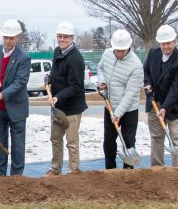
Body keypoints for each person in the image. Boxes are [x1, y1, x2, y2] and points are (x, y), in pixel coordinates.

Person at [0, 19, 31, 176]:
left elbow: (20, 83)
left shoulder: (23, 58)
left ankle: (16, 179)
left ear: (17, 38)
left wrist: (2, 94)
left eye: (11, 38)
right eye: (5, 37)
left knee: (17, 147)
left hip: (16, 109)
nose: (8, 41)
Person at [142, 24, 178, 168]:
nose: (166, 46)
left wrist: (165, 107)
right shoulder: (153, 53)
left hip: (174, 106)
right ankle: (157, 168)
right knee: (156, 137)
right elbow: (147, 71)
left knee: (176, 138)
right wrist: (148, 83)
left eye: (169, 43)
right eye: (163, 43)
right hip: (155, 102)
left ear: (175, 41)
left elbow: (176, 88)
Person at [97, 29, 143, 169]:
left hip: (129, 110)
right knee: (109, 141)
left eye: (123, 50)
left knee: (128, 142)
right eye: (117, 50)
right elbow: (100, 69)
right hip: (110, 105)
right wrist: (102, 81)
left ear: (129, 47)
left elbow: (131, 93)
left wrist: (118, 113)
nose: (120, 53)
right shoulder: (107, 54)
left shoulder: (136, 65)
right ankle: (110, 169)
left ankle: (128, 172)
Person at [46, 21, 87, 175]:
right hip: (58, 107)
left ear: (72, 38)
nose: (62, 39)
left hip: (72, 107)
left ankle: (73, 171)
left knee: (71, 141)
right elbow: (58, 74)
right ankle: (55, 169)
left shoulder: (76, 58)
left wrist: (58, 97)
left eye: (65, 37)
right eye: (59, 36)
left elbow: (75, 86)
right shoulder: (57, 52)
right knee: (55, 139)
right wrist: (49, 78)